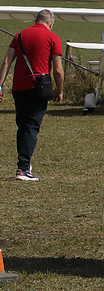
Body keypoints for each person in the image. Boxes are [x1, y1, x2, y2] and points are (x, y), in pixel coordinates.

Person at [0, 10, 65, 181]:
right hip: (39, 88)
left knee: (22, 125)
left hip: (19, 88)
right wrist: (60, 90)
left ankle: (24, 163)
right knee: (32, 127)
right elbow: (58, 69)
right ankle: (22, 169)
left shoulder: (20, 35)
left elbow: (7, 61)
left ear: (35, 20)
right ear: (51, 23)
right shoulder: (53, 38)